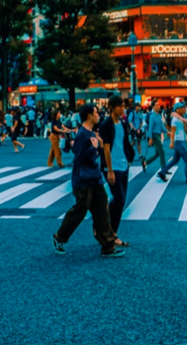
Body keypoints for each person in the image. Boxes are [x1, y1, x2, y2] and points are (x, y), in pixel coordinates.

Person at [51, 104, 122, 258]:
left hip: (94, 178)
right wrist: (95, 148)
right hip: (83, 180)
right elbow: (80, 156)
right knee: (80, 211)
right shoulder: (83, 134)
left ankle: (108, 246)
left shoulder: (90, 132)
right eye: (96, 113)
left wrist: (98, 146)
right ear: (89, 115)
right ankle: (59, 237)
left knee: (102, 209)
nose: (98, 115)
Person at [100, 96, 132, 246]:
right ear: (111, 107)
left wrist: (129, 159)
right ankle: (109, 231)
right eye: (119, 106)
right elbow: (106, 149)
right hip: (112, 167)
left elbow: (124, 143)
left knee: (121, 200)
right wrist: (110, 170)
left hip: (123, 165)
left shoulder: (123, 123)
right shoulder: (106, 124)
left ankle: (112, 232)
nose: (122, 108)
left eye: (123, 106)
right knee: (119, 199)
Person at [156, 102, 187, 184]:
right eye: (182, 108)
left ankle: (162, 172)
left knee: (175, 160)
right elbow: (173, 132)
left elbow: (185, 130)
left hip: (180, 140)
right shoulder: (175, 120)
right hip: (178, 141)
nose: (184, 109)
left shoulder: (181, 118)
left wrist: (185, 123)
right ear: (177, 110)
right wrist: (171, 142)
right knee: (186, 158)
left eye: (184, 108)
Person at [140, 105, 167, 172]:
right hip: (154, 135)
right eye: (157, 105)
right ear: (153, 107)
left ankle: (145, 162)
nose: (159, 106)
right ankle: (163, 170)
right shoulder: (152, 116)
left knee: (157, 154)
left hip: (158, 135)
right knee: (162, 153)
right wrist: (150, 138)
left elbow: (162, 126)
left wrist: (167, 132)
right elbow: (150, 128)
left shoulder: (159, 115)